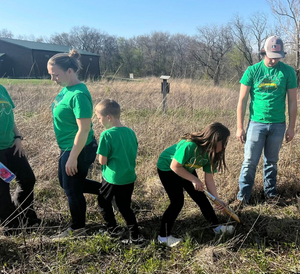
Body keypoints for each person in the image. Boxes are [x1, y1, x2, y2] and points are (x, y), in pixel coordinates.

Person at [231, 36, 298, 209]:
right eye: (271, 56)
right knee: (249, 162)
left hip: (278, 125)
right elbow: (242, 101)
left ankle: (271, 195)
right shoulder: (252, 71)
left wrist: (291, 127)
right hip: (256, 124)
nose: (274, 60)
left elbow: (292, 101)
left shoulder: (288, 72)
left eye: (277, 56)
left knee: (271, 162)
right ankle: (242, 197)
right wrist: (239, 127)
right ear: (264, 53)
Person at [48, 50, 101, 237]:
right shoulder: (65, 89)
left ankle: (78, 228)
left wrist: (73, 157)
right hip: (67, 147)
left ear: (70, 71)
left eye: (56, 74)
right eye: (50, 75)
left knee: (72, 189)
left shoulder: (78, 94)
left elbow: (84, 130)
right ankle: (108, 191)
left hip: (79, 148)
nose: (53, 79)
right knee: (65, 182)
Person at [156, 122, 234, 247]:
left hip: (186, 169)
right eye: (224, 142)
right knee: (177, 202)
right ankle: (163, 237)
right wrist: (194, 179)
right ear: (215, 139)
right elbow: (174, 166)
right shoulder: (190, 145)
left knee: (201, 198)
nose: (225, 146)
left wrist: (217, 200)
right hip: (167, 168)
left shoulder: (212, 154)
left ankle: (216, 227)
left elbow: (209, 180)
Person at [94, 99, 144, 245]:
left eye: (99, 118)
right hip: (128, 176)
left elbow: (102, 161)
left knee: (103, 202)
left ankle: (113, 229)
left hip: (112, 178)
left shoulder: (106, 135)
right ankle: (135, 236)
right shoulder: (130, 132)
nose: (99, 121)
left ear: (108, 117)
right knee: (125, 207)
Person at [0, 84, 40, 234]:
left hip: (12, 146)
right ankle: (11, 225)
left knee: (28, 179)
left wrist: (17, 137)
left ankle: (26, 216)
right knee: (2, 188)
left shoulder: (1, 89)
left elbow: (9, 116)